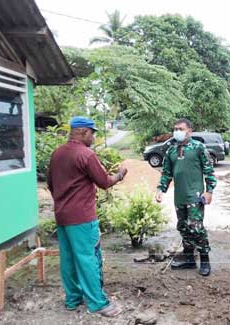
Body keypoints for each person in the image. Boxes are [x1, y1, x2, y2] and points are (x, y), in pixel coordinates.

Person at [47, 116, 128, 317]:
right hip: (82, 217)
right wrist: (119, 174)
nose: (93, 137)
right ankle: (98, 303)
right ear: (83, 132)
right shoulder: (86, 154)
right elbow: (104, 182)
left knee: (68, 258)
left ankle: (72, 299)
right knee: (88, 258)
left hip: (62, 216)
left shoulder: (57, 153)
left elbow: (50, 184)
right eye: (92, 133)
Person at [156, 118, 217, 276]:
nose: (177, 131)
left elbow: (209, 171)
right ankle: (189, 259)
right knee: (183, 226)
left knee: (196, 227)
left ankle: (204, 259)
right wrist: (160, 189)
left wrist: (209, 191)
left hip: (195, 196)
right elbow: (166, 173)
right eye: (175, 129)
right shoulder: (171, 151)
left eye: (180, 129)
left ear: (189, 130)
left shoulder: (198, 148)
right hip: (180, 196)